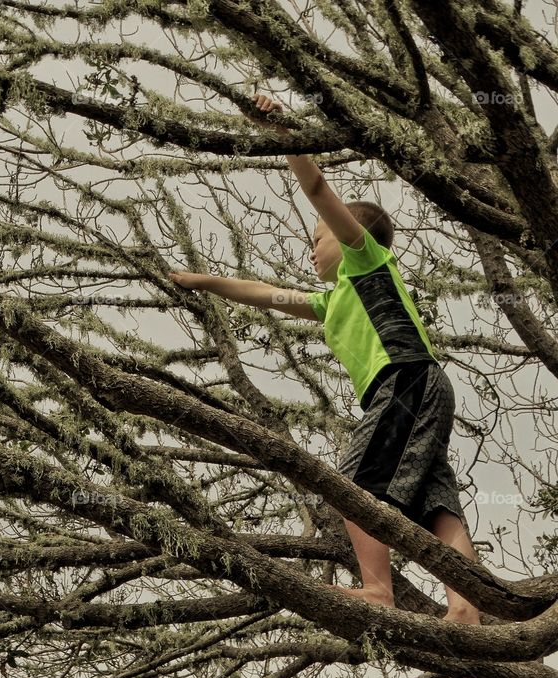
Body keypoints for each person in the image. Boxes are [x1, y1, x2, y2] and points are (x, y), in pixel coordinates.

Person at [168, 94, 482, 624]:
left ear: (346, 236)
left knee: (351, 484)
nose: (311, 250)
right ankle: (467, 607)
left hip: (403, 378)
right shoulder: (329, 298)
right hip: (418, 388)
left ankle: (377, 588)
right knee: (435, 503)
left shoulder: (365, 260)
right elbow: (263, 292)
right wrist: (199, 281)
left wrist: (284, 133)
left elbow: (315, 187)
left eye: (318, 238)